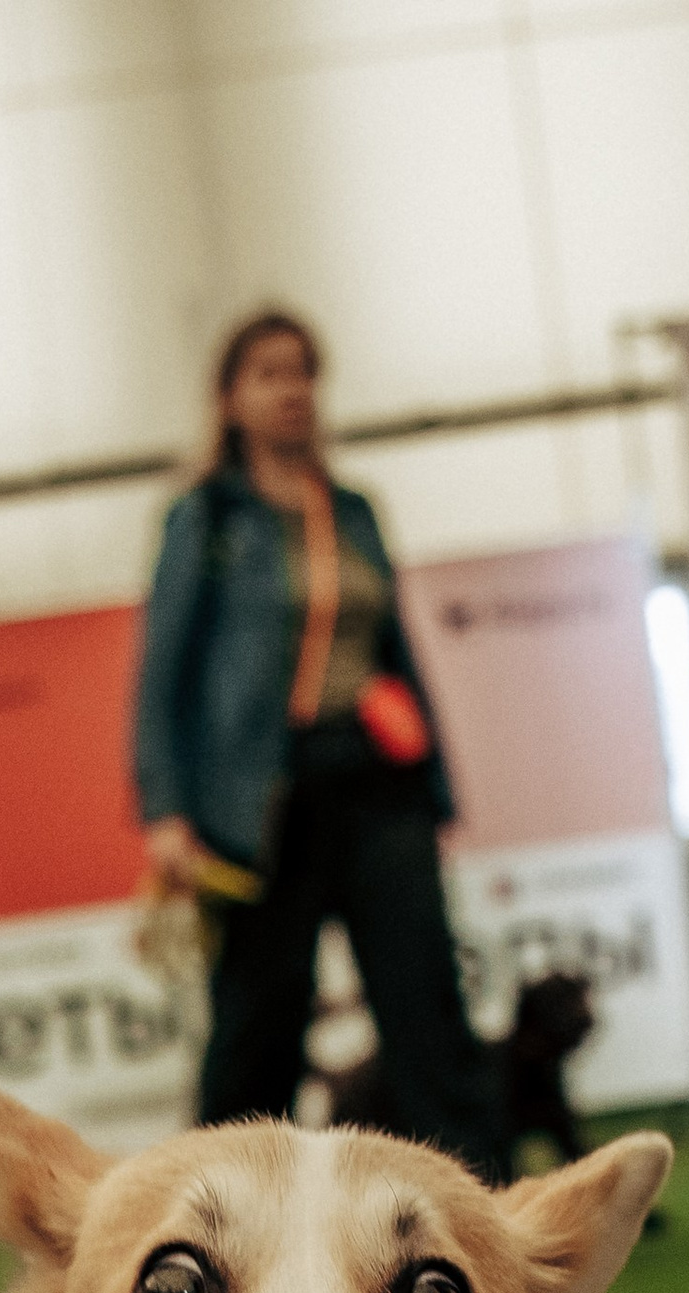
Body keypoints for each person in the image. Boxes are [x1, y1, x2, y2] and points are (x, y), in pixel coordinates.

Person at [134, 309, 505, 1180]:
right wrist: (165, 810)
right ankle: (209, 1214)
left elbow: (398, 654)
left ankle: (486, 1220)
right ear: (230, 398)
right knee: (258, 1024)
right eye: (267, 372)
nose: (291, 388)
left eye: (302, 370)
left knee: (427, 1009)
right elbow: (161, 676)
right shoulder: (207, 520)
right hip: (262, 801)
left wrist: (436, 783)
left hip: (376, 782)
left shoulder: (356, 511)